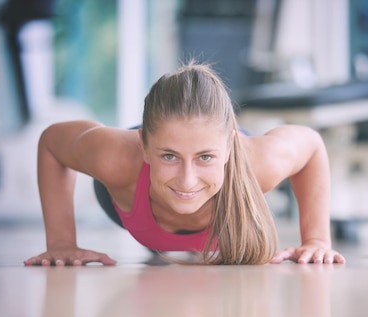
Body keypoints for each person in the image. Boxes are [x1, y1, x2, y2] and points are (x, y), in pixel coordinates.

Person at [24, 62, 345, 266]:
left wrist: (316, 240)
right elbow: (52, 142)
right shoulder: (116, 159)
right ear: (144, 147)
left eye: (205, 158)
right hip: (125, 196)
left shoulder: (258, 162)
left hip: (225, 169)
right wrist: (62, 243)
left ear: (230, 148)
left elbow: (313, 146)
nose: (187, 180)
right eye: (169, 157)